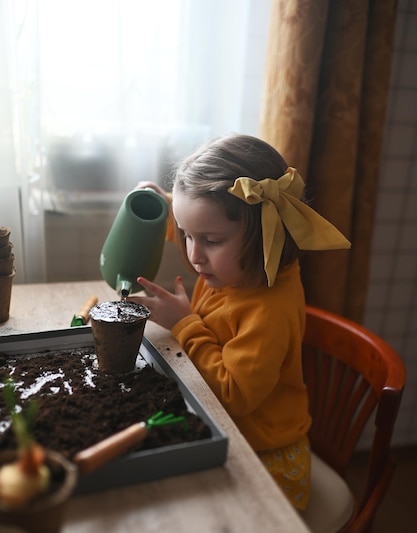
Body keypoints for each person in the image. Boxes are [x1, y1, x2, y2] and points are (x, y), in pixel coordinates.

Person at [129, 134, 350, 511]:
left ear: (267, 235)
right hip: (227, 430)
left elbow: (234, 394)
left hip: (266, 460)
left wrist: (185, 325)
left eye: (210, 241)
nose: (193, 255)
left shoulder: (269, 310)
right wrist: (165, 206)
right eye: (185, 235)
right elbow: (203, 220)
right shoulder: (236, 266)